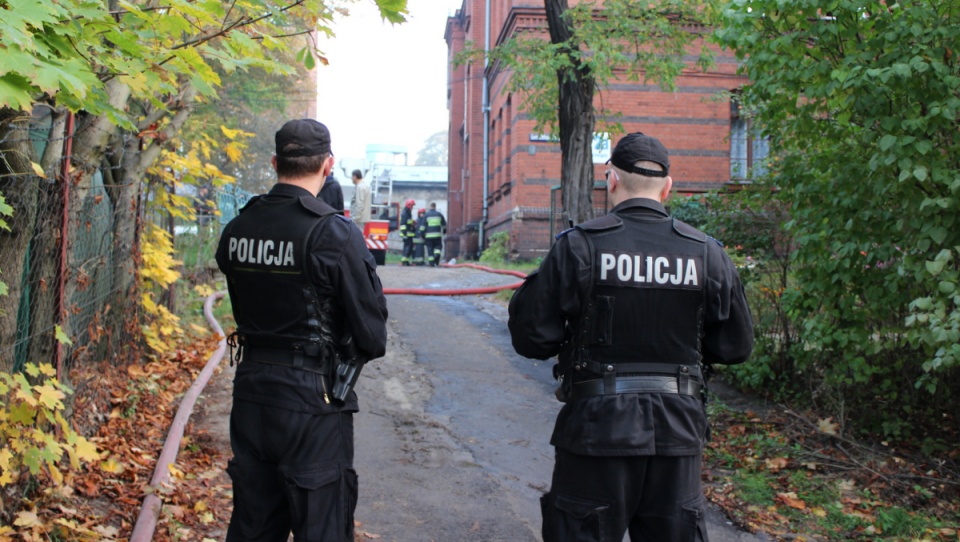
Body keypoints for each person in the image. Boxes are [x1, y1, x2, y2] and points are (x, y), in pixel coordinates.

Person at [507, 132, 753, 542]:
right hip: (678, 434)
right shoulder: (707, 252)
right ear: (668, 188)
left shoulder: (580, 246)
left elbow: (531, 338)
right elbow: (736, 346)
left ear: (611, 180)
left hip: (596, 433)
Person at [216, 118, 388, 542]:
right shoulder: (333, 231)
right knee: (322, 526)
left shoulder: (238, 227)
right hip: (313, 399)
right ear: (328, 166)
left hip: (252, 391)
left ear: (275, 162)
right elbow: (372, 335)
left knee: (253, 525)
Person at [422, 202, 446, 267]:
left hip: (428, 236)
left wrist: (422, 235)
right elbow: (444, 225)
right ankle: (436, 255)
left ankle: (431, 263)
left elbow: (422, 227)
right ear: (435, 207)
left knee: (430, 249)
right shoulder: (439, 214)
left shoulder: (426, 215)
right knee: (438, 247)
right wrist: (444, 231)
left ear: (430, 206)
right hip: (437, 235)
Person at [398, 199, 417, 266]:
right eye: (412, 206)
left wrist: (412, 222)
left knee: (409, 247)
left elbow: (408, 222)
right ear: (409, 205)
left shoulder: (408, 212)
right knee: (408, 247)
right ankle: (404, 261)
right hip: (406, 233)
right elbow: (403, 224)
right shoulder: (406, 213)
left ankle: (405, 261)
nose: (413, 208)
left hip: (409, 233)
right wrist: (404, 233)